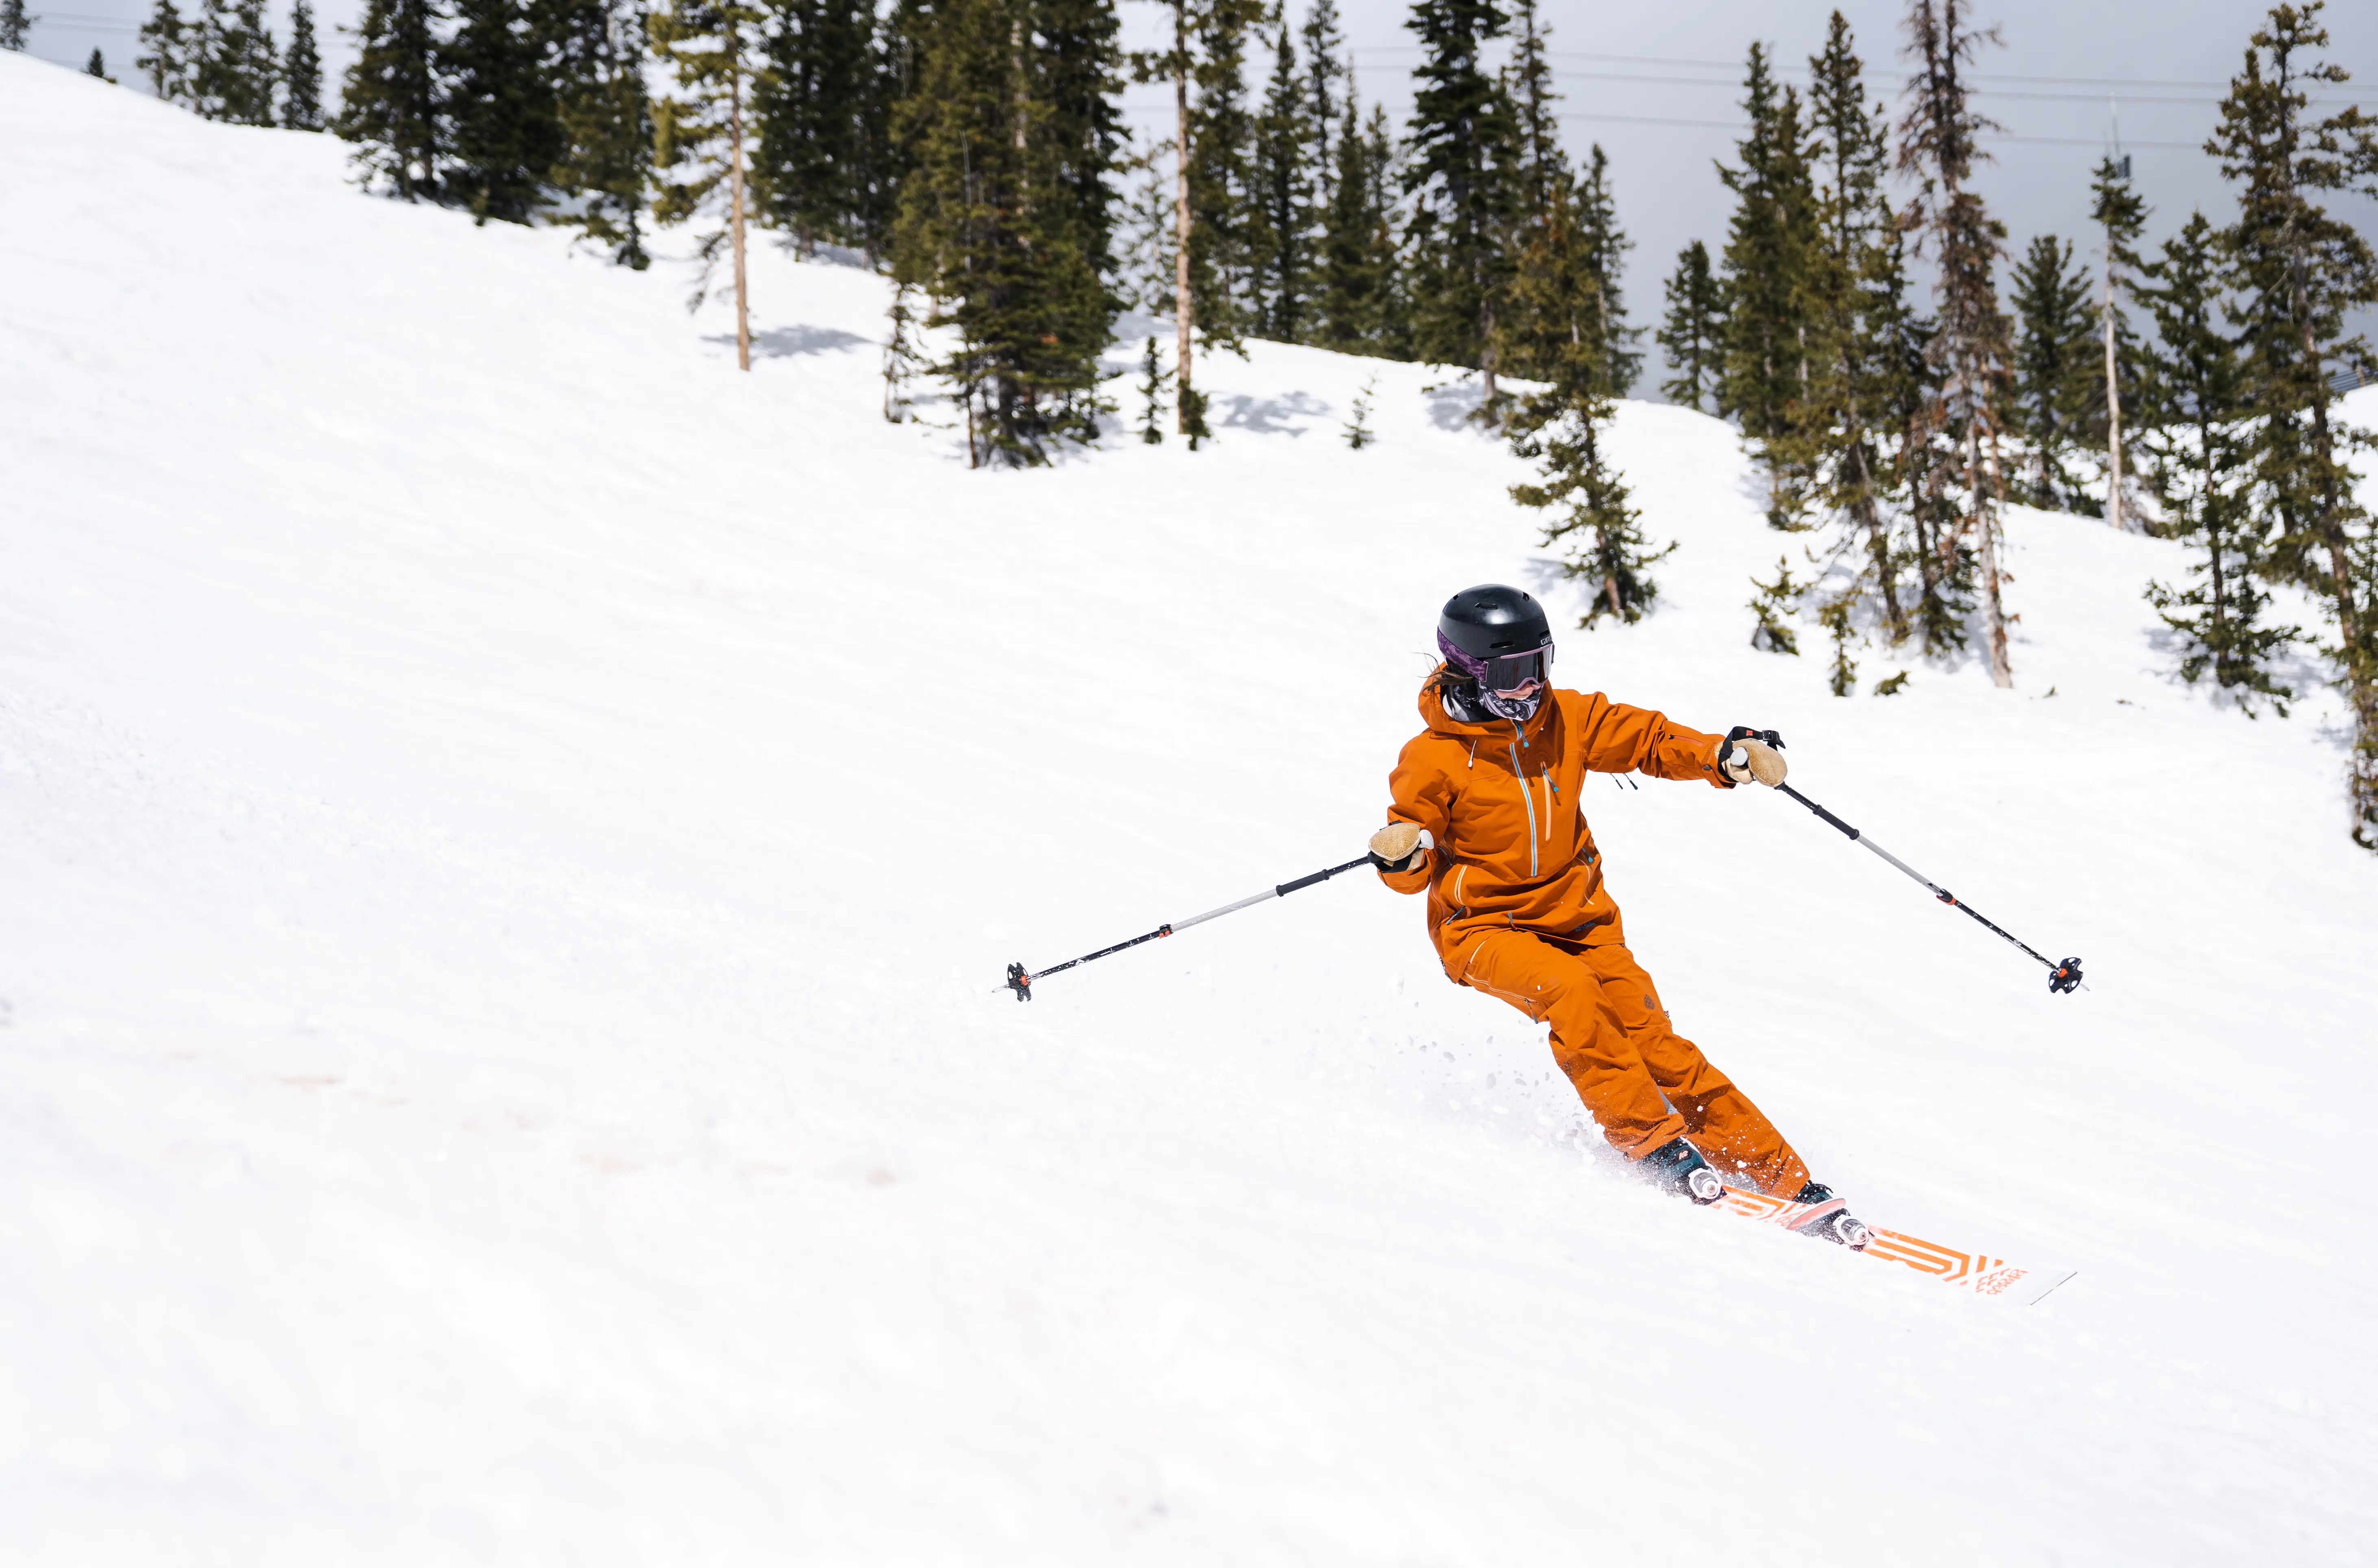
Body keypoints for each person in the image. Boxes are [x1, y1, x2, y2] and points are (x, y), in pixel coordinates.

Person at [1369, 584, 1869, 1248]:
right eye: (1513, 675)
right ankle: (1652, 1147)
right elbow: (1410, 852)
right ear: (1470, 670)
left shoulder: (1564, 721)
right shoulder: (1432, 758)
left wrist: (1722, 756)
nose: (1530, 689)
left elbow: (1648, 740)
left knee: (1658, 1044)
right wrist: (1401, 857)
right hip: (1483, 931)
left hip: (1580, 923)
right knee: (1574, 998)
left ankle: (1779, 1177)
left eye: (1540, 666)